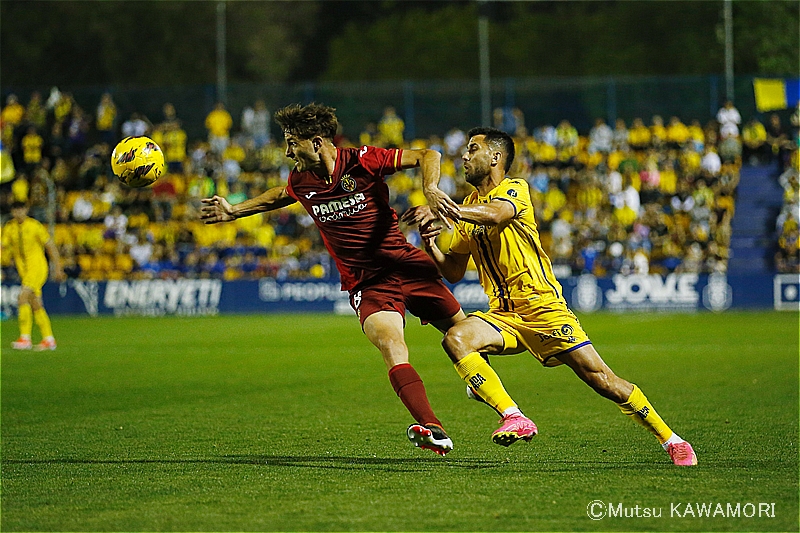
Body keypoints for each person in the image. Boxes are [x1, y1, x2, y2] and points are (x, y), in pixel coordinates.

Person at [201, 103, 486, 455]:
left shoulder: (362, 160)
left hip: (406, 265)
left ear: (317, 142)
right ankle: (433, 427)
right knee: (391, 345)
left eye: (292, 143)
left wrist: (430, 189)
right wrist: (234, 209)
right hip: (368, 283)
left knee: (464, 335)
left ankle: (484, 385)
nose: (287, 151)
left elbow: (429, 154)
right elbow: (279, 195)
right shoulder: (301, 181)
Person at [402, 127, 697, 466]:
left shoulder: (513, 189)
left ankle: (671, 439)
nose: (464, 156)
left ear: (495, 158)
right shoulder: (468, 207)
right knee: (456, 338)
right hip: (504, 314)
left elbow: (497, 214)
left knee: (603, 381)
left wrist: (445, 209)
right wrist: (429, 239)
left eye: (473, 149)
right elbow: (453, 271)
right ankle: (513, 415)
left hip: (544, 309)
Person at [2, 201, 66, 350]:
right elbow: (3, 246)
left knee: (22, 297)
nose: (18, 212)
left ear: (26, 210)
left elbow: (50, 246)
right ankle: (49, 339)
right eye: (15, 210)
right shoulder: (9, 227)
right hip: (24, 270)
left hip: (37, 268)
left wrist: (58, 268)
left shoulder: (35, 226)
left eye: (21, 209)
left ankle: (25, 338)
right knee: (35, 303)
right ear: (12, 212)